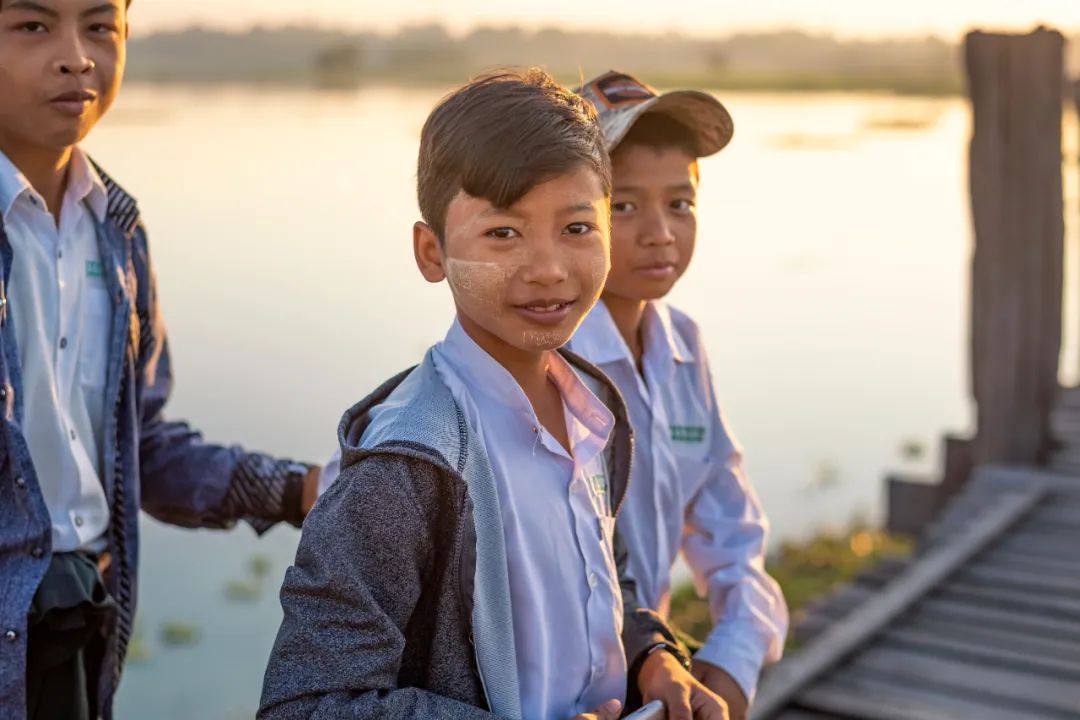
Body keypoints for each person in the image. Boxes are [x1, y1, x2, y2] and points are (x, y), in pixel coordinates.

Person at [260, 69, 727, 720]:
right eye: (504, 233)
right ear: (432, 251)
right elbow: (307, 703)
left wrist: (654, 657)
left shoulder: (592, 407)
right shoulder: (406, 463)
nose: (548, 268)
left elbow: (604, 583)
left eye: (577, 228)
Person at [0, 2, 320, 718]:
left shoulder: (117, 229)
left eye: (99, 28)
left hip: (78, 623)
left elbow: (139, 443)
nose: (76, 57)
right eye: (32, 26)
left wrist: (300, 491)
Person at [569, 71, 790, 719]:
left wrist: (730, 662)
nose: (660, 232)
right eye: (624, 206)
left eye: (680, 204)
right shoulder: (554, 361)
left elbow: (733, 530)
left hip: (662, 681)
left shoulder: (683, 344)